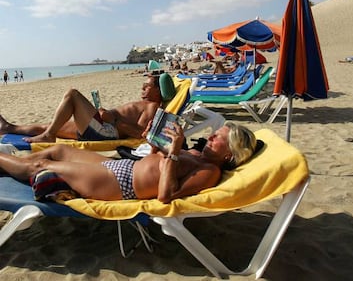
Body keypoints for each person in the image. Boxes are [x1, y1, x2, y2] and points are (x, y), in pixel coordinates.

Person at [0, 122, 257, 203]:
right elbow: (158, 162)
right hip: (122, 167)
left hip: (120, 184)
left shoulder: (210, 171)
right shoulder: (199, 156)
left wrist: (176, 151)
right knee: (58, 149)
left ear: (229, 155)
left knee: (41, 167)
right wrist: (154, 142)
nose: (211, 135)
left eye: (219, 138)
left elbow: (167, 195)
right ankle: (9, 163)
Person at [0, 74, 169, 143]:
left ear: (157, 90)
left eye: (146, 87)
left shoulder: (152, 107)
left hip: (107, 130)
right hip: (104, 125)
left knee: (72, 94)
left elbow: (140, 133)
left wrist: (113, 120)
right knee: (52, 125)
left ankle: (48, 136)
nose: (142, 90)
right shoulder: (147, 104)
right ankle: (10, 128)